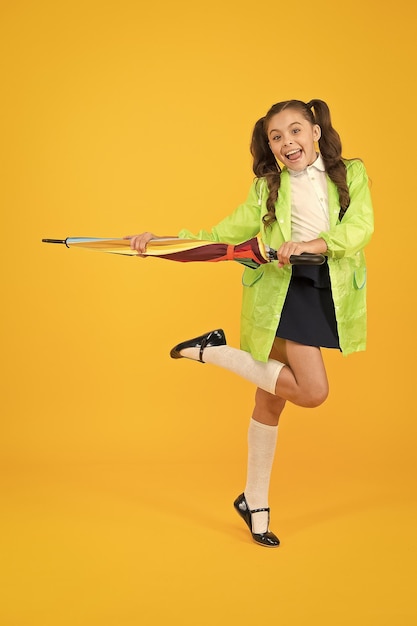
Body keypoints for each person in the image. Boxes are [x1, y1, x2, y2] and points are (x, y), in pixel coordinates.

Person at [128, 99, 374, 548]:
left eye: (295, 131)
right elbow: (224, 233)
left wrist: (314, 242)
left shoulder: (351, 173)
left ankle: (254, 503)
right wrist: (160, 242)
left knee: (271, 403)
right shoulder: (267, 187)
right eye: (276, 137)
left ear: (315, 131)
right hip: (282, 291)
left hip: (326, 287)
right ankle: (210, 350)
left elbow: (361, 227)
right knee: (313, 392)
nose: (286, 143)